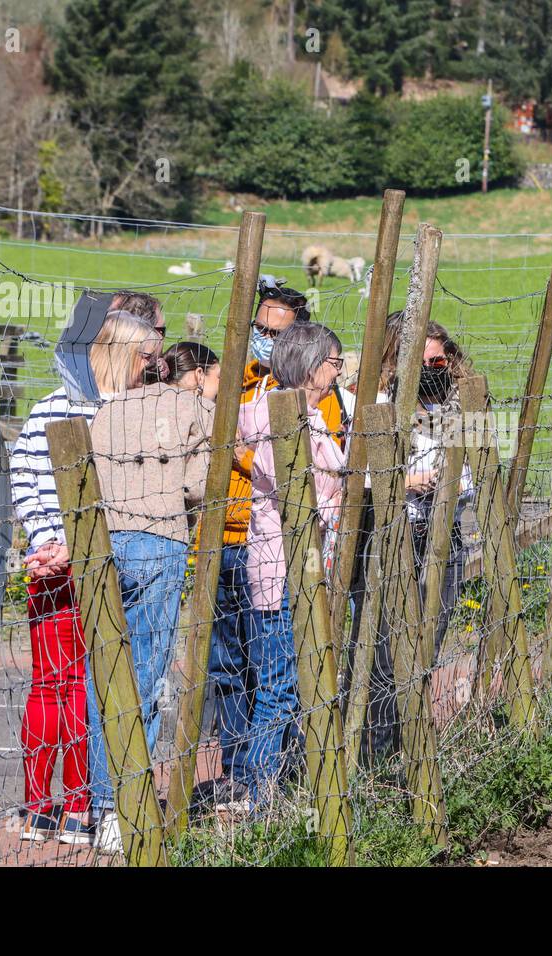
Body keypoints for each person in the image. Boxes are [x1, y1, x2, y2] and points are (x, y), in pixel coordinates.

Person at [11, 299, 166, 845]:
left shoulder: (47, 407)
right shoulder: (116, 415)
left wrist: (42, 541)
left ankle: (37, 807)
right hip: (91, 561)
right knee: (85, 683)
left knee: (51, 682)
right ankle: (78, 805)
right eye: (146, 356)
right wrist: (65, 547)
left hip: (54, 560)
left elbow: (23, 476)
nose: (152, 366)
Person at [201, 278, 348, 809]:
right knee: (277, 681)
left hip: (300, 564)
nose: (339, 372)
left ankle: (265, 783)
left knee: (279, 676)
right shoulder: (274, 413)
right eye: (334, 363)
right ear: (312, 365)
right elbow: (291, 476)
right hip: (279, 565)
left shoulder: (307, 414)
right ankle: (259, 793)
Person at [87, 313, 213, 851]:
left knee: (106, 675)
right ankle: (132, 798)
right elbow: (196, 485)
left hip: (103, 545)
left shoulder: (97, 415)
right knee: (150, 672)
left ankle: (102, 805)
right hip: (160, 541)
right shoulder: (189, 407)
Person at [348, 313, 475, 761]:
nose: (435, 371)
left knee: (428, 642)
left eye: (441, 362)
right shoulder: (373, 403)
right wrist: (403, 481)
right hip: (388, 537)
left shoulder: (454, 408)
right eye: (425, 362)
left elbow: (475, 475)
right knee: (381, 649)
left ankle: (411, 748)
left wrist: (452, 484)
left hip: (442, 538)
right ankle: (371, 757)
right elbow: (350, 475)